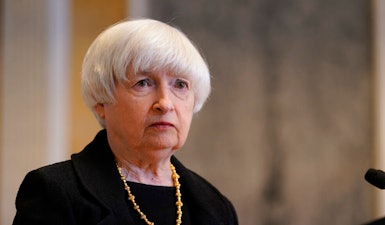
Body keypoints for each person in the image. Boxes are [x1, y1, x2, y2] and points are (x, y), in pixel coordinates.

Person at [13, 18, 238, 225]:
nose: (165, 103)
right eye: (143, 83)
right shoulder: (54, 192)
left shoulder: (217, 207)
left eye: (180, 85)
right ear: (102, 100)